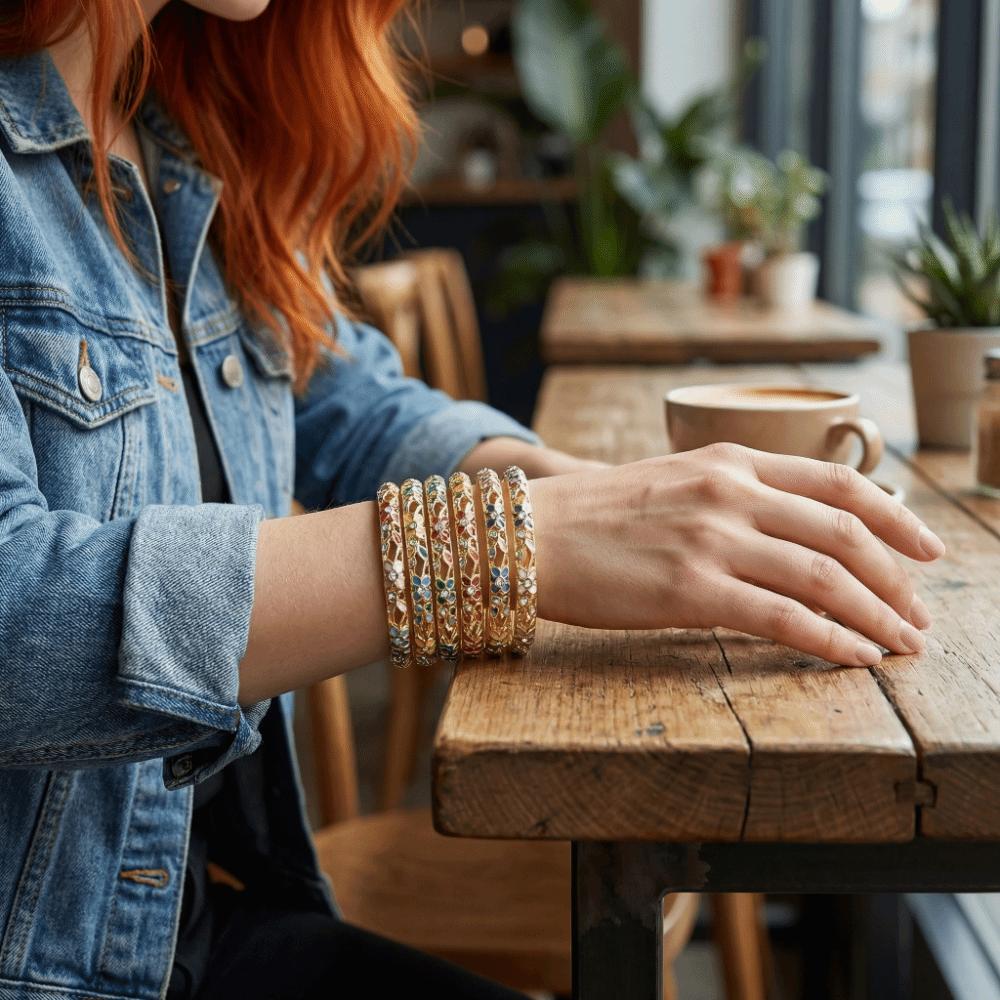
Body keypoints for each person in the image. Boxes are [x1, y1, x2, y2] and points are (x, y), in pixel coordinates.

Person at [0, 1, 944, 998]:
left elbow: (334, 398)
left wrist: (611, 508)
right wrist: (500, 543)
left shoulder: (169, 133)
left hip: (185, 925)